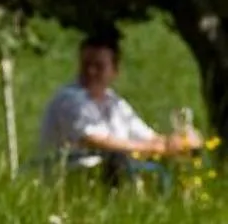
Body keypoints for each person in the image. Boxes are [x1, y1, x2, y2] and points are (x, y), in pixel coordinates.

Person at [36, 29, 204, 178]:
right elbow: (96, 140)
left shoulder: (114, 102)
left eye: (99, 66)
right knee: (118, 160)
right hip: (71, 177)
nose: (91, 72)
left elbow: (148, 137)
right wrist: (158, 148)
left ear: (114, 71)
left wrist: (179, 142)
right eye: (86, 65)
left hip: (107, 175)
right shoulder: (70, 99)